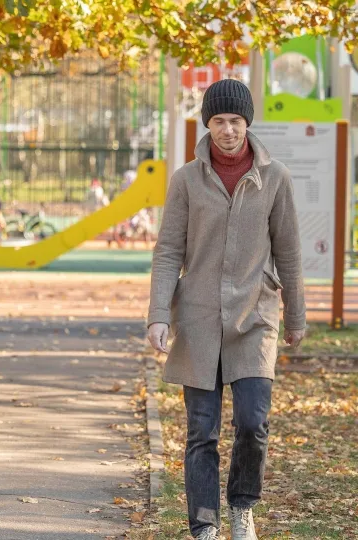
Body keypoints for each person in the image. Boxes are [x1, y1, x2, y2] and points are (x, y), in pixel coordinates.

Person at [146, 79, 306, 540]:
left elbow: (290, 253)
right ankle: (204, 526)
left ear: (247, 123)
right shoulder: (186, 180)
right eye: (219, 121)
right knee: (202, 432)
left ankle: (242, 508)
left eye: (236, 121)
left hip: (255, 317)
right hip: (197, 319)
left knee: (253, 423)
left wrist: (295, 316)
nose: (228, 130)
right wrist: (159, 313)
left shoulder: (275, 178)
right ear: (208, 124)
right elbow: (167, 251)